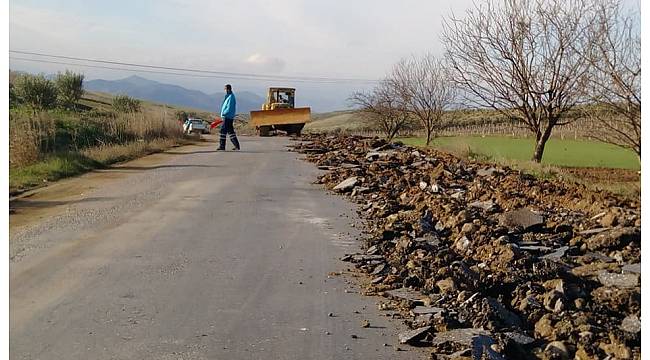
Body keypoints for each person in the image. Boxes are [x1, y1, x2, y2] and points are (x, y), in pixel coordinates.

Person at [217, 84, 240, 151]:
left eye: (226, 89)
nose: (225, 91)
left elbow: (229, 107)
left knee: (223, 130)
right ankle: (237, 146)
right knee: (230, 131)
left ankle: (222, 146)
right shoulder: (229, 96)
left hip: (227, 116)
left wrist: (224, 113)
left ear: (228, 89)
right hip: (229, 116)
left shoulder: (231, 97)